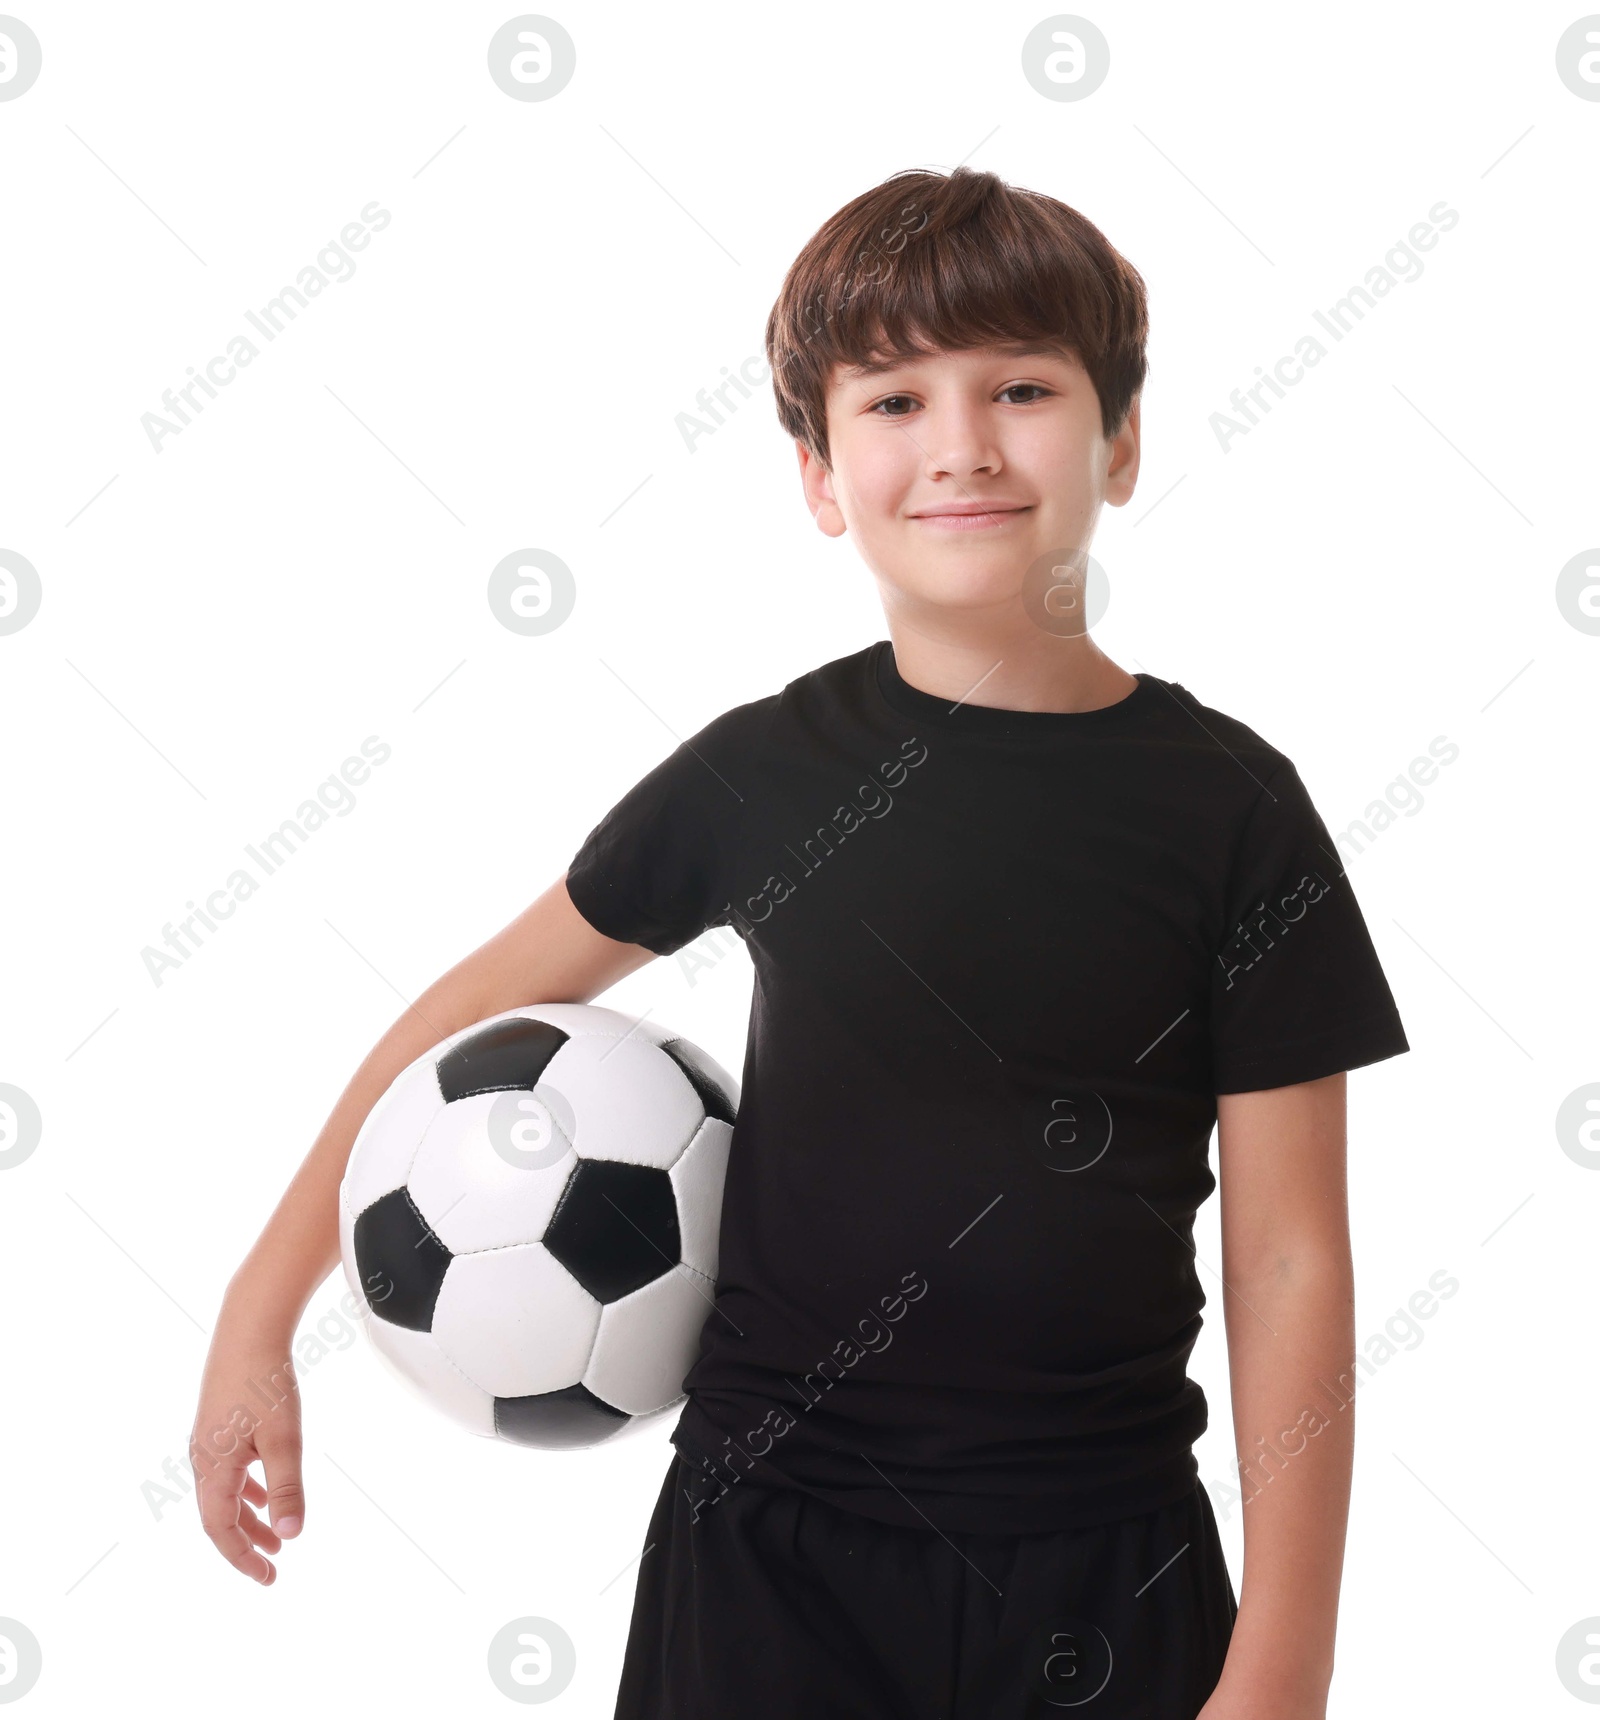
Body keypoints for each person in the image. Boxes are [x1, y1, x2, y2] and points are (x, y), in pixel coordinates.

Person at [192, 166, 1409, 1720]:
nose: (962, 444)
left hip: (1104, 1563)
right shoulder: (765, 772)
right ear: (820, 474)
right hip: (765, 1556)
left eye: (1022, 387)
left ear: (1121, 438)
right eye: (894, 401)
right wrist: (256, 1311)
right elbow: (464, 1020)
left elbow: (1293, 1250)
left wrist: (1285, 1657)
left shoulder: (1235, 808)